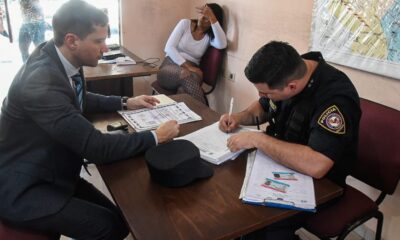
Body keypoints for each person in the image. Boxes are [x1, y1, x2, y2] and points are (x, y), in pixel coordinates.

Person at [0, 1, 179, 240]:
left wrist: (126, 102)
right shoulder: (40, 81)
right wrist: (156, 135)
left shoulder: (59, 56)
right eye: (98, 41)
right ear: (72, 40)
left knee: (122, 219)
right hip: (24, 187)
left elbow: (76, 96)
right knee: (108, 227)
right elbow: (97, 148)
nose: (105, 48)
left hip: (53, 170)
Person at [219, 41, 361, 240]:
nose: (261, 96)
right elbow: (263, 107)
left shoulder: (335, 98)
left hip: (320, 185)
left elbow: (317, 164)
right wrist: (238, 118)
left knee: (257, 222)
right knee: (231, 197)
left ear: (292, 87)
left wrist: (257, 139)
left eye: (266, 93)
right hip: (278, 164)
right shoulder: (290, 70)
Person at [157, 3, 227, 104]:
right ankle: (205, 111)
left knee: (182, 91)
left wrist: (213, 18)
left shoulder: (209, 37)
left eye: (207, 17)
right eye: (202, 13)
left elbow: (222, 44)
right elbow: (169, 47)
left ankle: (183, 117)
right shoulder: (185, 23)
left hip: (193, 72)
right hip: (169, 66)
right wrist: (187, 66)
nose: (202, 18)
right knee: (184, 73)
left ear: (212, 22)